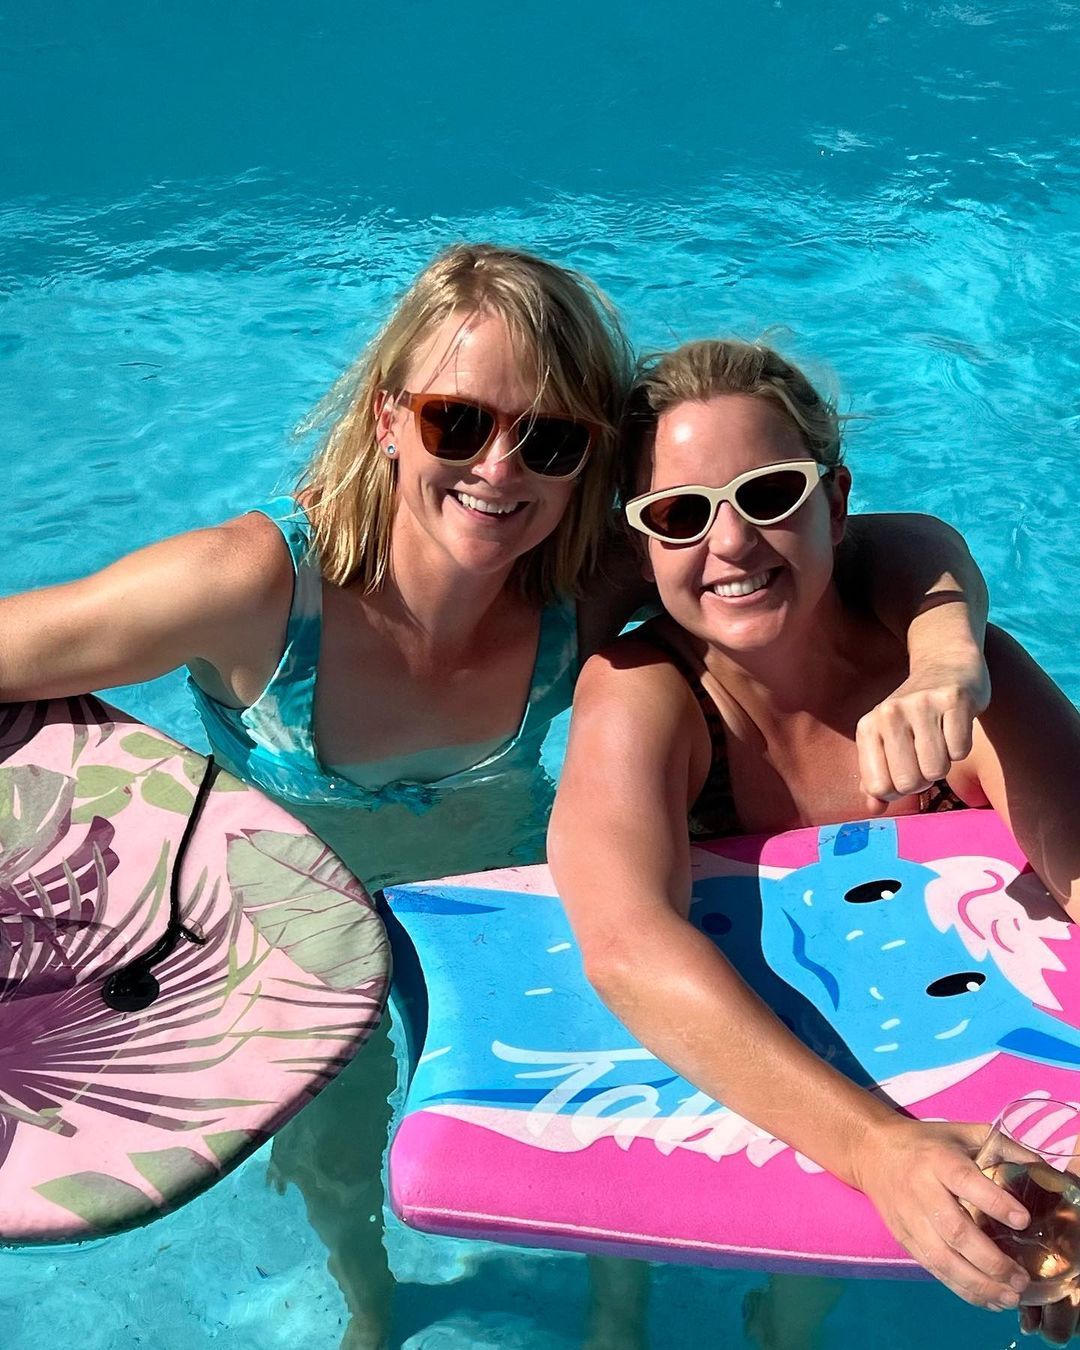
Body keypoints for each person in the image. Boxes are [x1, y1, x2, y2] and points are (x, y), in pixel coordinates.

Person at [2, 248, 996, 1349]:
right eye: (458, 422)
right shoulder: (256, 590)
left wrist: (947, 653)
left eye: (551, 440)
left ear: (585, 469)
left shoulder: (575, 595)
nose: (500, 468)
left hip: (500, 899)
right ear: (389, 418)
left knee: (612, 1104)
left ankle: (619, 1319)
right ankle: (371, 1304)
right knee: (335, 1154)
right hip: (293, 932)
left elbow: (884, 542)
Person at [547, 336, 1080, 1349]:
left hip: (931, 1070)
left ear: (835, 502)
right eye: (680, 515)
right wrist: (878, 1151)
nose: (732, 544)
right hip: (724, 1072)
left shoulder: (958, 687)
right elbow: (624, 946)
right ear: (640, 545)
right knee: (618, 1300)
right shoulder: (645, 692)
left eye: (769, 495)